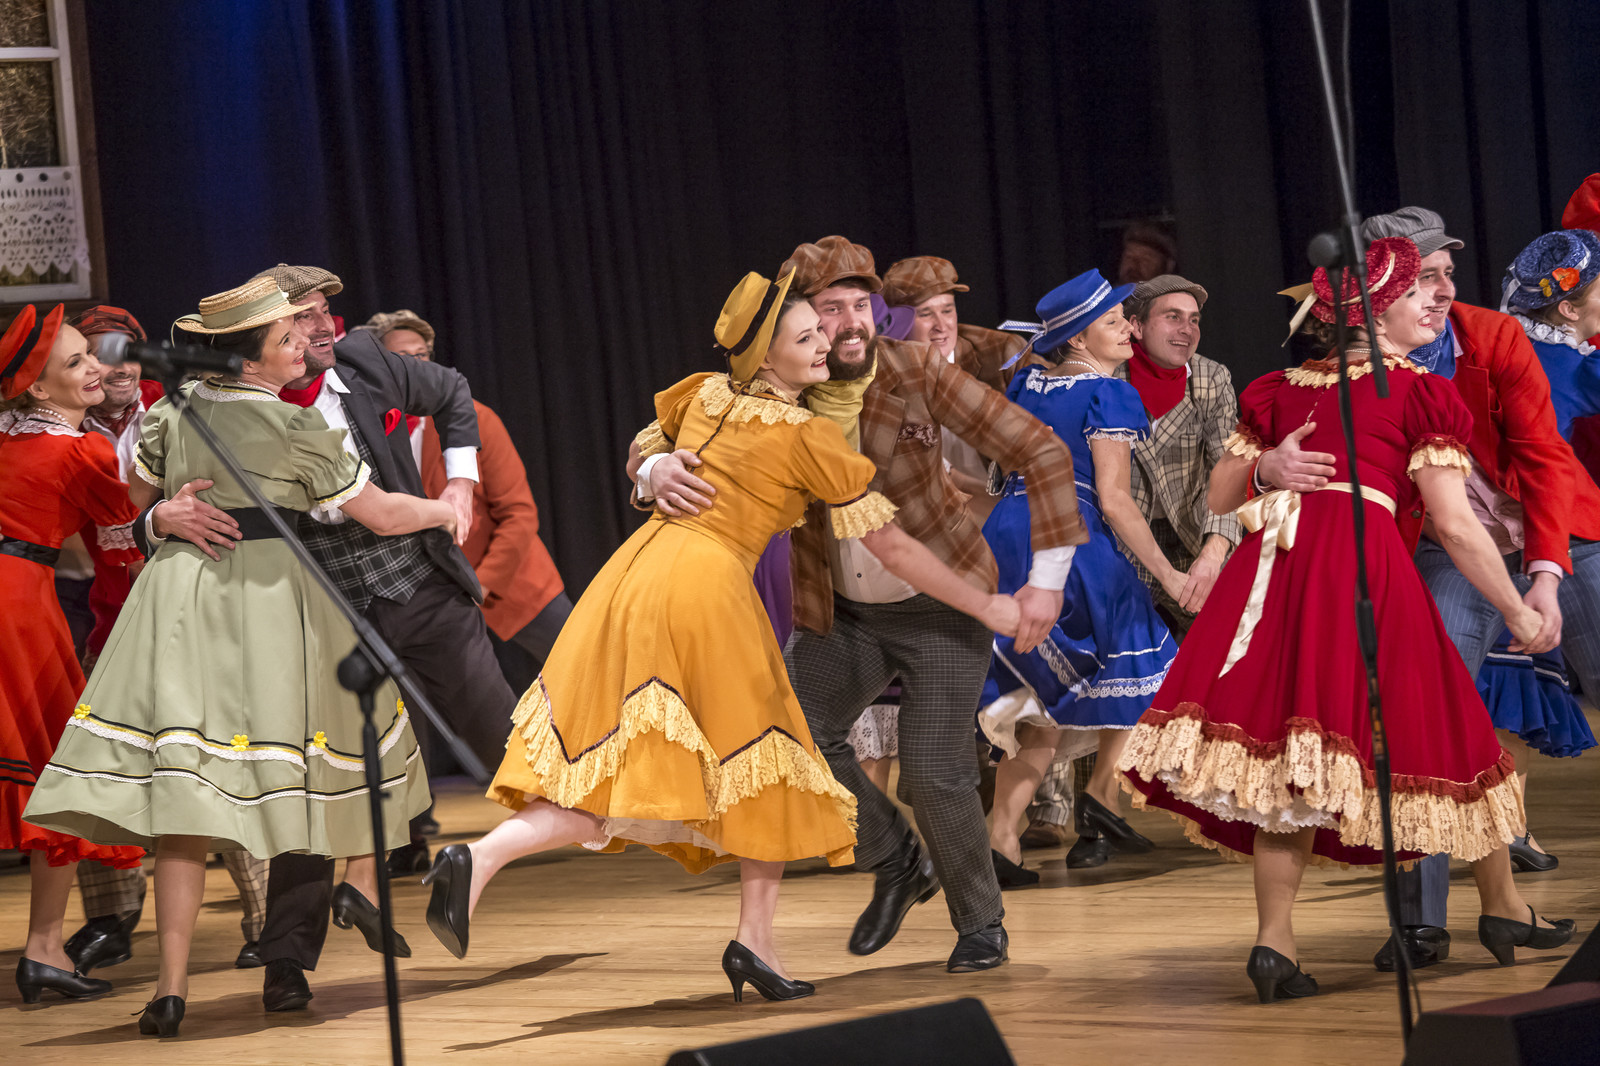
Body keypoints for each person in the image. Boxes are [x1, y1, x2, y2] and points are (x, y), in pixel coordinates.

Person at [422, 272, 1022, 1000]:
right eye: (806, 337)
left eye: (821, 332)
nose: (825, 343)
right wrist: (986, 605)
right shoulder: (803, 434)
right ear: (766, 357)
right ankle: (759, 938)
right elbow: (890, 545)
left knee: (621, 765)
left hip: (635, 577)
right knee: (766, 762)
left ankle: (484, 859)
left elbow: (646, 444)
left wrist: (651, 465)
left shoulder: (705, 394)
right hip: (705, 592)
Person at [1119, 236, 1574, 1002]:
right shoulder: (1419, 394)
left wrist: (1264, 469)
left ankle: (1276, 944)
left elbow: (1220, 494)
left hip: (1286, 576)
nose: (1437, 300)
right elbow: (1455, 525)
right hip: (1359, 572)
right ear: (1373, 312)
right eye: (1419, 292)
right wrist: (1517, 608)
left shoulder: (1278, 390)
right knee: (1450, 728)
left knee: (1292, 751)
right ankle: (1501, 908)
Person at [645, 236, 1088, 972]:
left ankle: (980, 923)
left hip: (942, 599)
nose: (850, 323)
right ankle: (896, 859)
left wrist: (1046, 579)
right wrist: (656, 468)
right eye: (830, 309)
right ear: (799, 323)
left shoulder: (914, 369)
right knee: (795, 734)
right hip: (841, 609)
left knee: (935, 772)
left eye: (861, 305)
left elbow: (1039, 449)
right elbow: (661, 433)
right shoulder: (776, 386)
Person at [24, 278, 447, 1036]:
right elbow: (382, 515)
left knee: (187, 803)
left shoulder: (172, 412)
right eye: (287, 338)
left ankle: (171, 988)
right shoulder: (294, 427)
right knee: (325, 758)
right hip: (270, 600)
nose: (301, 344)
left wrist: (160, 518)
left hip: (183, 600)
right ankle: (345, 896)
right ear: (251, 359)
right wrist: (445, 509)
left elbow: (125, 513)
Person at [1337, 208, 1600, 972]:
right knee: (1423, 717)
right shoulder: (1357, 370)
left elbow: (1543, 457)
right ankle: (1420, 922)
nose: (1446, 289)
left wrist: (1544, 573)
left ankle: (1497, 908)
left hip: (1559, 536)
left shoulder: (1492, 336)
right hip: (1448, 552)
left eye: (1448, 272)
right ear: (1381, 290)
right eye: (1426, 276)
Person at [63, 305, 270, 977]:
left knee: (219, 759)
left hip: (197, 610)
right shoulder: (65, 427)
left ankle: (264, 917)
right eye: (95, 355)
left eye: (123, 350)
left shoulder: (178, 410)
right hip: (112, 613)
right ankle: (111, 915)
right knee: (104, 764)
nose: (113, 367)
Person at [980, 271, 1179, 882]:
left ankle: (1001, 841)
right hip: (1069, 534)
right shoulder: (1108, 394)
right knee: (1149, 654)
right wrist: (1170, 574)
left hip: (1006, 534)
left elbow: (1002, 470)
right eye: (1113, 322)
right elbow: (1114, 500)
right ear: (1077, 339)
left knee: (1042, 701)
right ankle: (1100, 795)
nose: (1130, 331)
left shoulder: (1027, 383)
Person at [1, 304, 146, 1006]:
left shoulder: (8, 440)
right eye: (76, 361)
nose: (96, 368)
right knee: (60, 779)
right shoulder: (81, 451)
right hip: (19, 608)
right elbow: (122, 550)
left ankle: (46, 950)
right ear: (37, 387)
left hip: (20, 595)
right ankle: (43, 949)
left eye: (91, 354)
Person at [356, 309, 571, 698]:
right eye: (402, 357)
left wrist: (482, 584)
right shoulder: (370, 433)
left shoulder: (474, 419)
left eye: (422, 355)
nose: (416, 365)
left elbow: (520, 514)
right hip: (439, 601)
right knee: (475, 708)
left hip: (513, 582)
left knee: (584, 673)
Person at [1116, 275, 1240, 636]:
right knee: (1121, 649)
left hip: (1192, 533)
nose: (1187, 329)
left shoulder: (1210, 378)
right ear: (1137, 326)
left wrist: (1213, 554)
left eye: (1194, 319)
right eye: (1173, 317)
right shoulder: (1110, 377)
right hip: (1123, 544)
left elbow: (1228, 471)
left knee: (1233, 638)